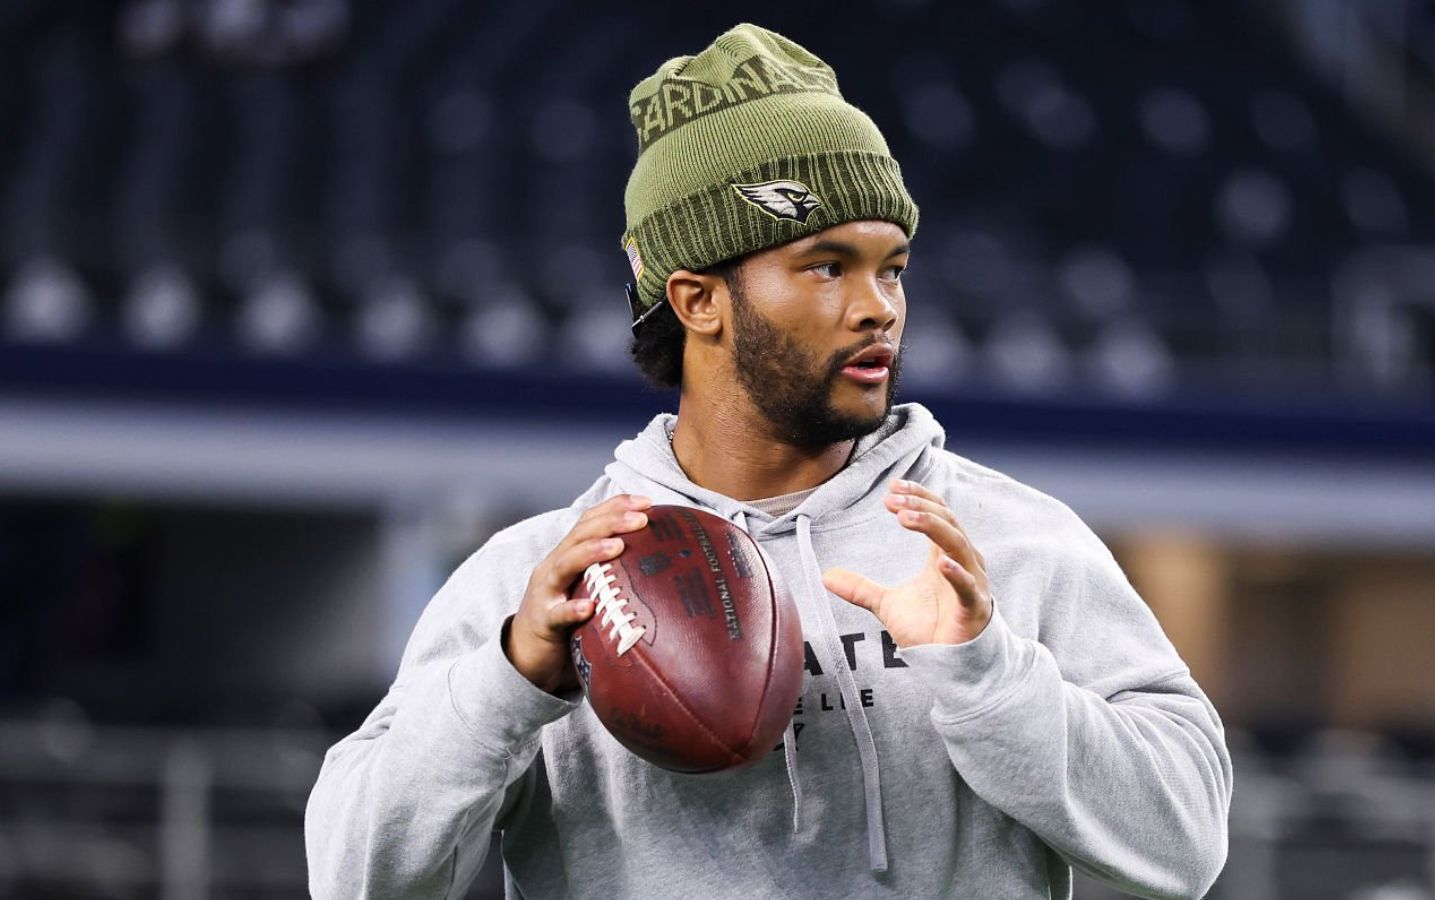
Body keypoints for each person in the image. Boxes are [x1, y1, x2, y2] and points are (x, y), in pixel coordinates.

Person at [305, 23, 1231, 900]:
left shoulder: (1001, 543)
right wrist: (510, 681)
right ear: (698, 300)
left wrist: (989, 675)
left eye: (892, 267)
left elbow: (1185, 845)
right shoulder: (546, 581)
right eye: (827, 265)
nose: (879, 307)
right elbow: (354, 878)